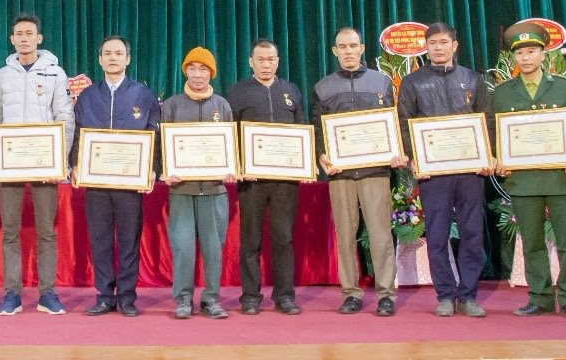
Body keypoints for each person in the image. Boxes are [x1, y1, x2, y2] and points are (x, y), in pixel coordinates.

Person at [397, 22, 494, 318]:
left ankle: (468, 295)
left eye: (443, 42)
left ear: (455, 45)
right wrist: (414, 161)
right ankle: (445, 296)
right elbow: (403, 123)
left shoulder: (473, 79)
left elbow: (486, 120)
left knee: (472, 233)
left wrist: (487, 156)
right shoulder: (412, 82)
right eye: (432, 43)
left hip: (469, 172)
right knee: (437, 236)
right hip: (432, 173)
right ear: (426, 47)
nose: (438, 48)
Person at [493, 20, 566, 320]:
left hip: (562, 177)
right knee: (531, 243)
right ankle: (540, 297)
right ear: (514, 58)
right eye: (520, 54)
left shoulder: (565, 87)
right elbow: (495, 133)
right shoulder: (502, 93)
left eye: (532, 51)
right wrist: (499, 160)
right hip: (523, 180)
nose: (526, 58)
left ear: (543, 54)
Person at [312, 27, 406, 317]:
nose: (349, 51)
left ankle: (385, 295)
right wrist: (322, 155)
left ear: (362, 47)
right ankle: (351, 293)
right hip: (340, 174)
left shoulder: (381, 82)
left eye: (353, 45)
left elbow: (395, 122)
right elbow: (318, 129)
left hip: (376, 172)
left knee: (380, 235)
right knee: (345, 236)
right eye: (343, 46)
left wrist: (396, 150)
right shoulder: (322, 86)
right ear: (334, 51)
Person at [0, 12, 74, 316]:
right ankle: (12, 293)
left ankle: (47, 294)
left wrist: (59, 162)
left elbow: (65, 118)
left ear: (39, 38)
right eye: (18, 34)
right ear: (12, 39)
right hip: (9, 164)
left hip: (44, 164)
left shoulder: (55, 73)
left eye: (29, 33)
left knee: (46, 231)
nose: (24, 38)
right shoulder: (0, 76)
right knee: (10, 230)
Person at [72, 35, 160, 317]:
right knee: (99, 239)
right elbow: (77, 134)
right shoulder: (87, 96)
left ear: (127, 59)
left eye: (118, 53)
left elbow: (154, 135)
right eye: (107, 53)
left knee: (128, 240)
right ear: (100, 59)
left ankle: (128, 297)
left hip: (129, 183)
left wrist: (152, 169)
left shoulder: (143, 95)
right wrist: (74, 164)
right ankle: (104, 296)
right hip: (95, 182)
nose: (113, 57)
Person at [228, 39, 306, 316]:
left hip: (285, 181)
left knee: (283, 238)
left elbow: (302, 130)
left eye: (270, 59)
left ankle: (284, 296)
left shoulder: (291, 91)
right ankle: (250, 296)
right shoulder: (236, 92)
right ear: (251, 62)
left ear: (278, 61)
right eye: (260, 59)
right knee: (250, 240)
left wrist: (304, 166)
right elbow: (229, 137)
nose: (265, 64)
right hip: (251, 182)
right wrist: (238, 166)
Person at [161, 46, 234, 320]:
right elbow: (162, 148)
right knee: (182, 247)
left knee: (214, 249)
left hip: (215, 190)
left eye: (203, 68)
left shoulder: (223, 105)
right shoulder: (172, 104)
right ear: (185, 71)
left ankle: (211, 299)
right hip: (181, 190)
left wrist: (230, 169)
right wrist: (167, 170)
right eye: (192, 68)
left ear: (211, 73)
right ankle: (182, 300)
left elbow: (231, 146)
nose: (198, 74)